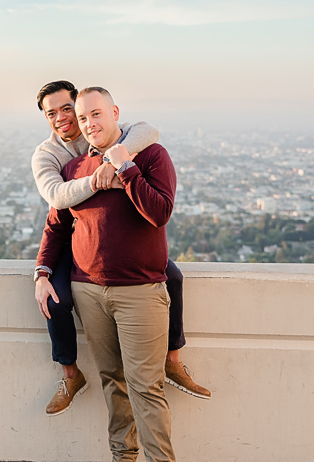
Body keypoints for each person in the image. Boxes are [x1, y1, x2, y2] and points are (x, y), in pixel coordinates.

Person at [31, 81, 209, 417]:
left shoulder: (98, 130)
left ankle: (173, 360)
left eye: (68, 109)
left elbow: (147, 131)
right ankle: (70, 375)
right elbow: (56, 202)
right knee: (56, 301)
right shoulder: (48, 154)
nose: (63, 118)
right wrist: (97, 177)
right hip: (77, 241)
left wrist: (117, 160)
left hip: (123, 246)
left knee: (172, 277)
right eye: (51, 113)